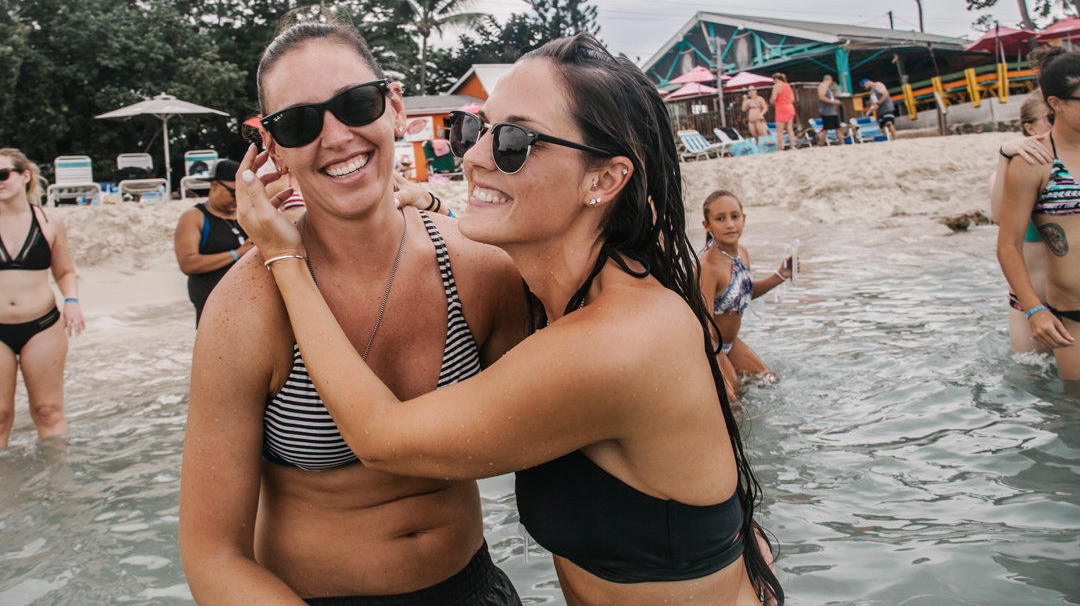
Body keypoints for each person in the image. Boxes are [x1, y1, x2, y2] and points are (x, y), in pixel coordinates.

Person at [236, 33, 784, 606]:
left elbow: (381, 438)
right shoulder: (570, 296)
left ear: (603, 180)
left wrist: (284, 258)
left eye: (515, 142)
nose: (471, 157)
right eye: (477, 129)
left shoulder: (620, 338)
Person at [179, 21, 526, 605]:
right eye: (299, 122)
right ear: (272, 146)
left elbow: (564, 459)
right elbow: (212, 555)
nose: (336, 136)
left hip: (474, 586)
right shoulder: (245, 309)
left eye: (355, 104)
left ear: (395, 107)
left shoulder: (481, 270)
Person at [0, 148, 85, 453]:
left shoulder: (51, 222)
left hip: (44, 326)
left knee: (48, 411)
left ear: (25, 176)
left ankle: (59, 491)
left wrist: (71, 300)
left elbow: (64, 271)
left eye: (2, 174)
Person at [999, 46, 1080, 380]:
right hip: (1073, 315)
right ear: (1055, 103)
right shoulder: (1034, 161)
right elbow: (1008, 244)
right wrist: (1034, 308)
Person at [698, 191, 791, 400]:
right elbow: (701, 320)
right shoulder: (708, 267)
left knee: (768, 379)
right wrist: (718, 359)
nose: (730, 224)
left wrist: (781, 275)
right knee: (734, 398)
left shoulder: (742, 253)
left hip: (731, 343)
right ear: (707, 226)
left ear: (744, 219)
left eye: (735, 216)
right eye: (720, 219)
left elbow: (743, 293)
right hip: (710, 344)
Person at [989, 91, 1053, 355]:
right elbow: (1000, 218)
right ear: (1029, 128)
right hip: (1029, 302)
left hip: (1072, 301)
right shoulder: (1011, 174)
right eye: (1049, 118)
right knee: (1034, 383)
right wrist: (1005, 155)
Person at [173, 159, 254, 326]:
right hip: (213, 304)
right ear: (214, 185)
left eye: (241, 192)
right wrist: (237, 253)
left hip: (250, 301)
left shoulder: (244, 214)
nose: (236, 198)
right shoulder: (194, 217)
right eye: (233, 192)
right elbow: (188, 264)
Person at [770, 73, 797, 151]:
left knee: (780, 131)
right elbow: (792, 99)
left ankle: (779, 149)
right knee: (790, 128)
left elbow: (773, 98)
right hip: (790, 108)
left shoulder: (777, 86)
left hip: (781, 109)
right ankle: (792, 146)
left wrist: (771, 100)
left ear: (776, 79)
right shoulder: (788, 86)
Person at [816, 75, 843, 146]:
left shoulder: (827, 87)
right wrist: (833, 102)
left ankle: (842, 143)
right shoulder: (823, 86)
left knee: (837, 127)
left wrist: (834, 101)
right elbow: (822, 97)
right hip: (826, 111)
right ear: (830, 80)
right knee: (826, 128)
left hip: (832, 111)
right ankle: (821, 143)